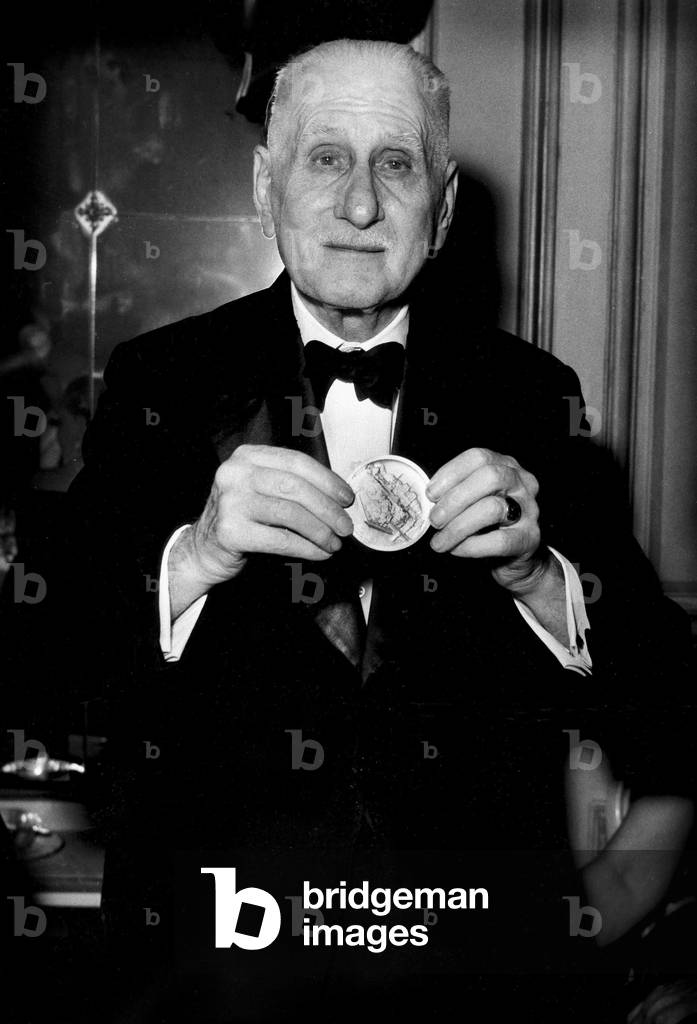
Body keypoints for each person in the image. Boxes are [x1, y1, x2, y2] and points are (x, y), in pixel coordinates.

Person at [63, 38, 693, 1020]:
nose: (360, 204)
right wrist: (193, 558)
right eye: (325, 159)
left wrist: (542, 578)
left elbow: (668, 709)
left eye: (395, 164)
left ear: (440, 210)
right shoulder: (158, 382)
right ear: (266, 185)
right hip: (218, 976)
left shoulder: (534, 398)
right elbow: (50, 668)